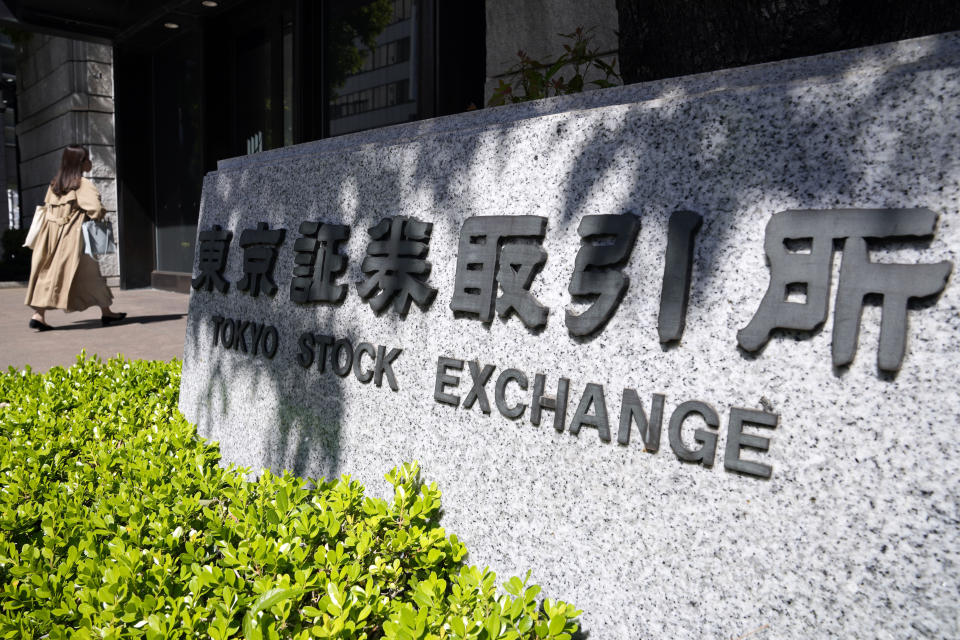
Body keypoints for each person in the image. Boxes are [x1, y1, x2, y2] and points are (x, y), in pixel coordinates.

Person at [24, 145, 125, 330]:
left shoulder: (55, 184)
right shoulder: (82, 184)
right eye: (87, 159)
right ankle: (39, 315)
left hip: (50, 237)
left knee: (61, 274)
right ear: (80, 162)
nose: (90, 162)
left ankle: (106, 311)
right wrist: (100, 212)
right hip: (72, 239)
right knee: (78, 274)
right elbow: (95, 210)